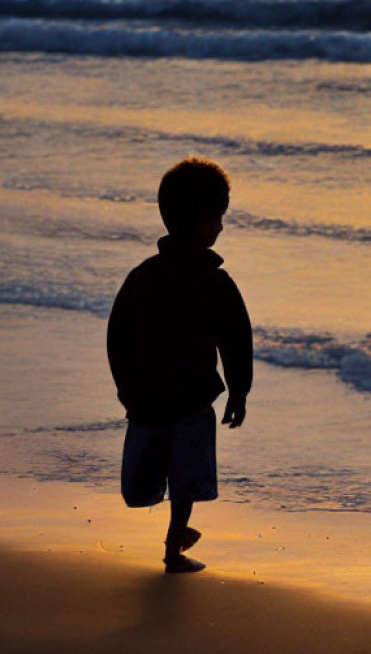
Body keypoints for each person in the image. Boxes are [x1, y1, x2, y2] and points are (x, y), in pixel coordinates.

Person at [107, 157, 252, 573]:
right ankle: (176, 540)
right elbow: (237, 342)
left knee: (171, 477)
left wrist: (124, 385)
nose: (221, 228)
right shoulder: (209, 282)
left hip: (165, 398)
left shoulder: (145, 276)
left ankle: (175, 545)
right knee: (164, 482)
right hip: (172, 398)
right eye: (218, 219)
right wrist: (239, 390)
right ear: (201, 222)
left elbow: (117, 335)